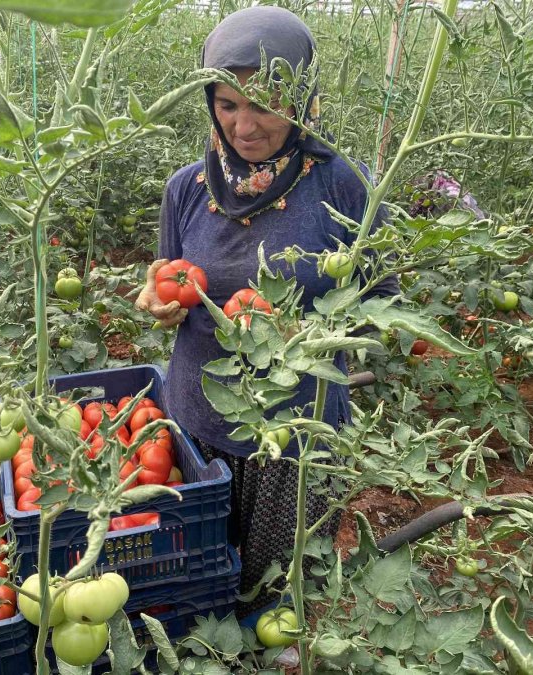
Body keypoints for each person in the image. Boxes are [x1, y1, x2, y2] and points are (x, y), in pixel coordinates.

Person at [135, 6, 399, 616]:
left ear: (302, 99)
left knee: (279, 588)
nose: (244, 125)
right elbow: (166, 278)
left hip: (294, 429)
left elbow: (383, 304)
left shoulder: (342, 185)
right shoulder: (186, 188)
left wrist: (309, 333)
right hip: (199, 416)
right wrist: (158, 302)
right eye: (227, 105)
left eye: (264, 104)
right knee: (201, 576)